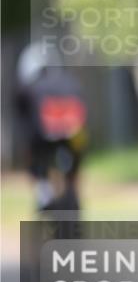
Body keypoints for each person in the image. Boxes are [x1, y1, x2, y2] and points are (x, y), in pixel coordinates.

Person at [15, 42, 88, 212]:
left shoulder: (29, 87)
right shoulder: (70, 81)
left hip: (44, 137)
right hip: (75, 134)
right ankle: (71, 183)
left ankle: (43, 189)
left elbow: (22, 117)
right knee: (75, 160)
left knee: (32, 148)